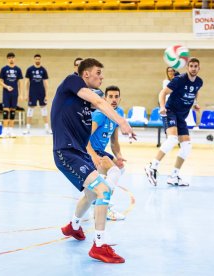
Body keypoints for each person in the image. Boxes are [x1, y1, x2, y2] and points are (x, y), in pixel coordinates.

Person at [51, 58, 135, 263]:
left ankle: (73, 226)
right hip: (66, 151)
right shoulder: (71, 81)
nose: (102, 76)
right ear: (85, 74)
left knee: (90, 195)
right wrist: (122, 121)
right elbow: (99, 101)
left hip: (79, 153)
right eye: (98, 72)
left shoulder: (85, 107)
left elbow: (97, 103)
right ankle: (99, 246)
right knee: (103, 190)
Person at [145, 57, 203, 187]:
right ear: (187, 67)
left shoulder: (199, 82)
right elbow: (163, 92)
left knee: (187, 145)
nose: (193, 68)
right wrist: (162, 107)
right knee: (172, 139)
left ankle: (174, 176)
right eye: (191, 66)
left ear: (199, 68)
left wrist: (195, 103)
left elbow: (195, 91)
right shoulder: (179, 80)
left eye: (196, 66)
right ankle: (152, 167)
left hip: (182, 116)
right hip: (170, 111)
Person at [87, 85, 126, 221]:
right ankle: (105, 208)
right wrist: (93, 156)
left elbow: (114, 141)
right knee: (113, 171)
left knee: (120, 168)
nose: (113, 99)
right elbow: (84, 137)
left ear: (120, 98)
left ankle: (97, 202)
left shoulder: (117, 114)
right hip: (88, 151)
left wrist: (119, 156)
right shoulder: (100, 114)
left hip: (100, 151)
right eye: (110, 96)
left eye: (116, 97)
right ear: (105, 98)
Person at [23, 54, 51, 135]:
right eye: (36, 59)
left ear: (40, 60)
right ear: (34, 59)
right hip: (32, 92)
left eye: (39, 59)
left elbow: (46, 83)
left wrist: (46, 95)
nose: (37, 60)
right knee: (30, 110)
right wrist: (26, 94)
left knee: (44, 110)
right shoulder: (30, 69)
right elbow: (27, 82)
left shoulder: (43, 70)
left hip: (41, 92)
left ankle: (47, 129)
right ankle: (27, 129)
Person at [0, 52, 23, 138]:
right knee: (5, 111)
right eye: (9, 58)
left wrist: (20, 94)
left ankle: (11, 131)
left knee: (12, 112)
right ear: (7, 59)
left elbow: (20, 82)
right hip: (6, 93)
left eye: (12, 57)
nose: (11, 59)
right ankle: (5, 131)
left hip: (15, 93)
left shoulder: (18, 69)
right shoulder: (4, 69)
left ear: (14, 58)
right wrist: (6, 86)